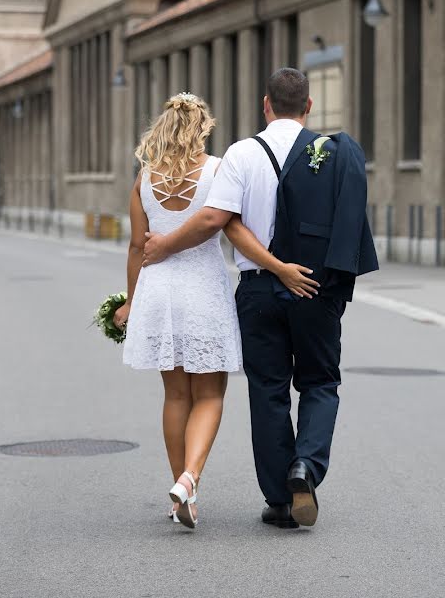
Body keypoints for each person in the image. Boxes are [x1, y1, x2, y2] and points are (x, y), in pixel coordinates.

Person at [141, 68, 379, 529]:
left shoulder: (241, 153)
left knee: (268, 391)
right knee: (319, 383)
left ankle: (278, 500)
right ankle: (305, 466)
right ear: (309, 107)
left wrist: (271, 268)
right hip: (314, 287)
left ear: (265, 104)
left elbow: (222, 221)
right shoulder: (331, 154)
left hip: (259, 291)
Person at [113, 92, 242, 530]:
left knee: (175, 395)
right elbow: (229, 225)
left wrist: (131, 301)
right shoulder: (218, 170)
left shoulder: (144, 178)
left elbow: (136, 246)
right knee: (210, 394)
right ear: (202, 127)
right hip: (203, 288)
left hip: (159, 291)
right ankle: (190, 478)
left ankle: (181, 495)